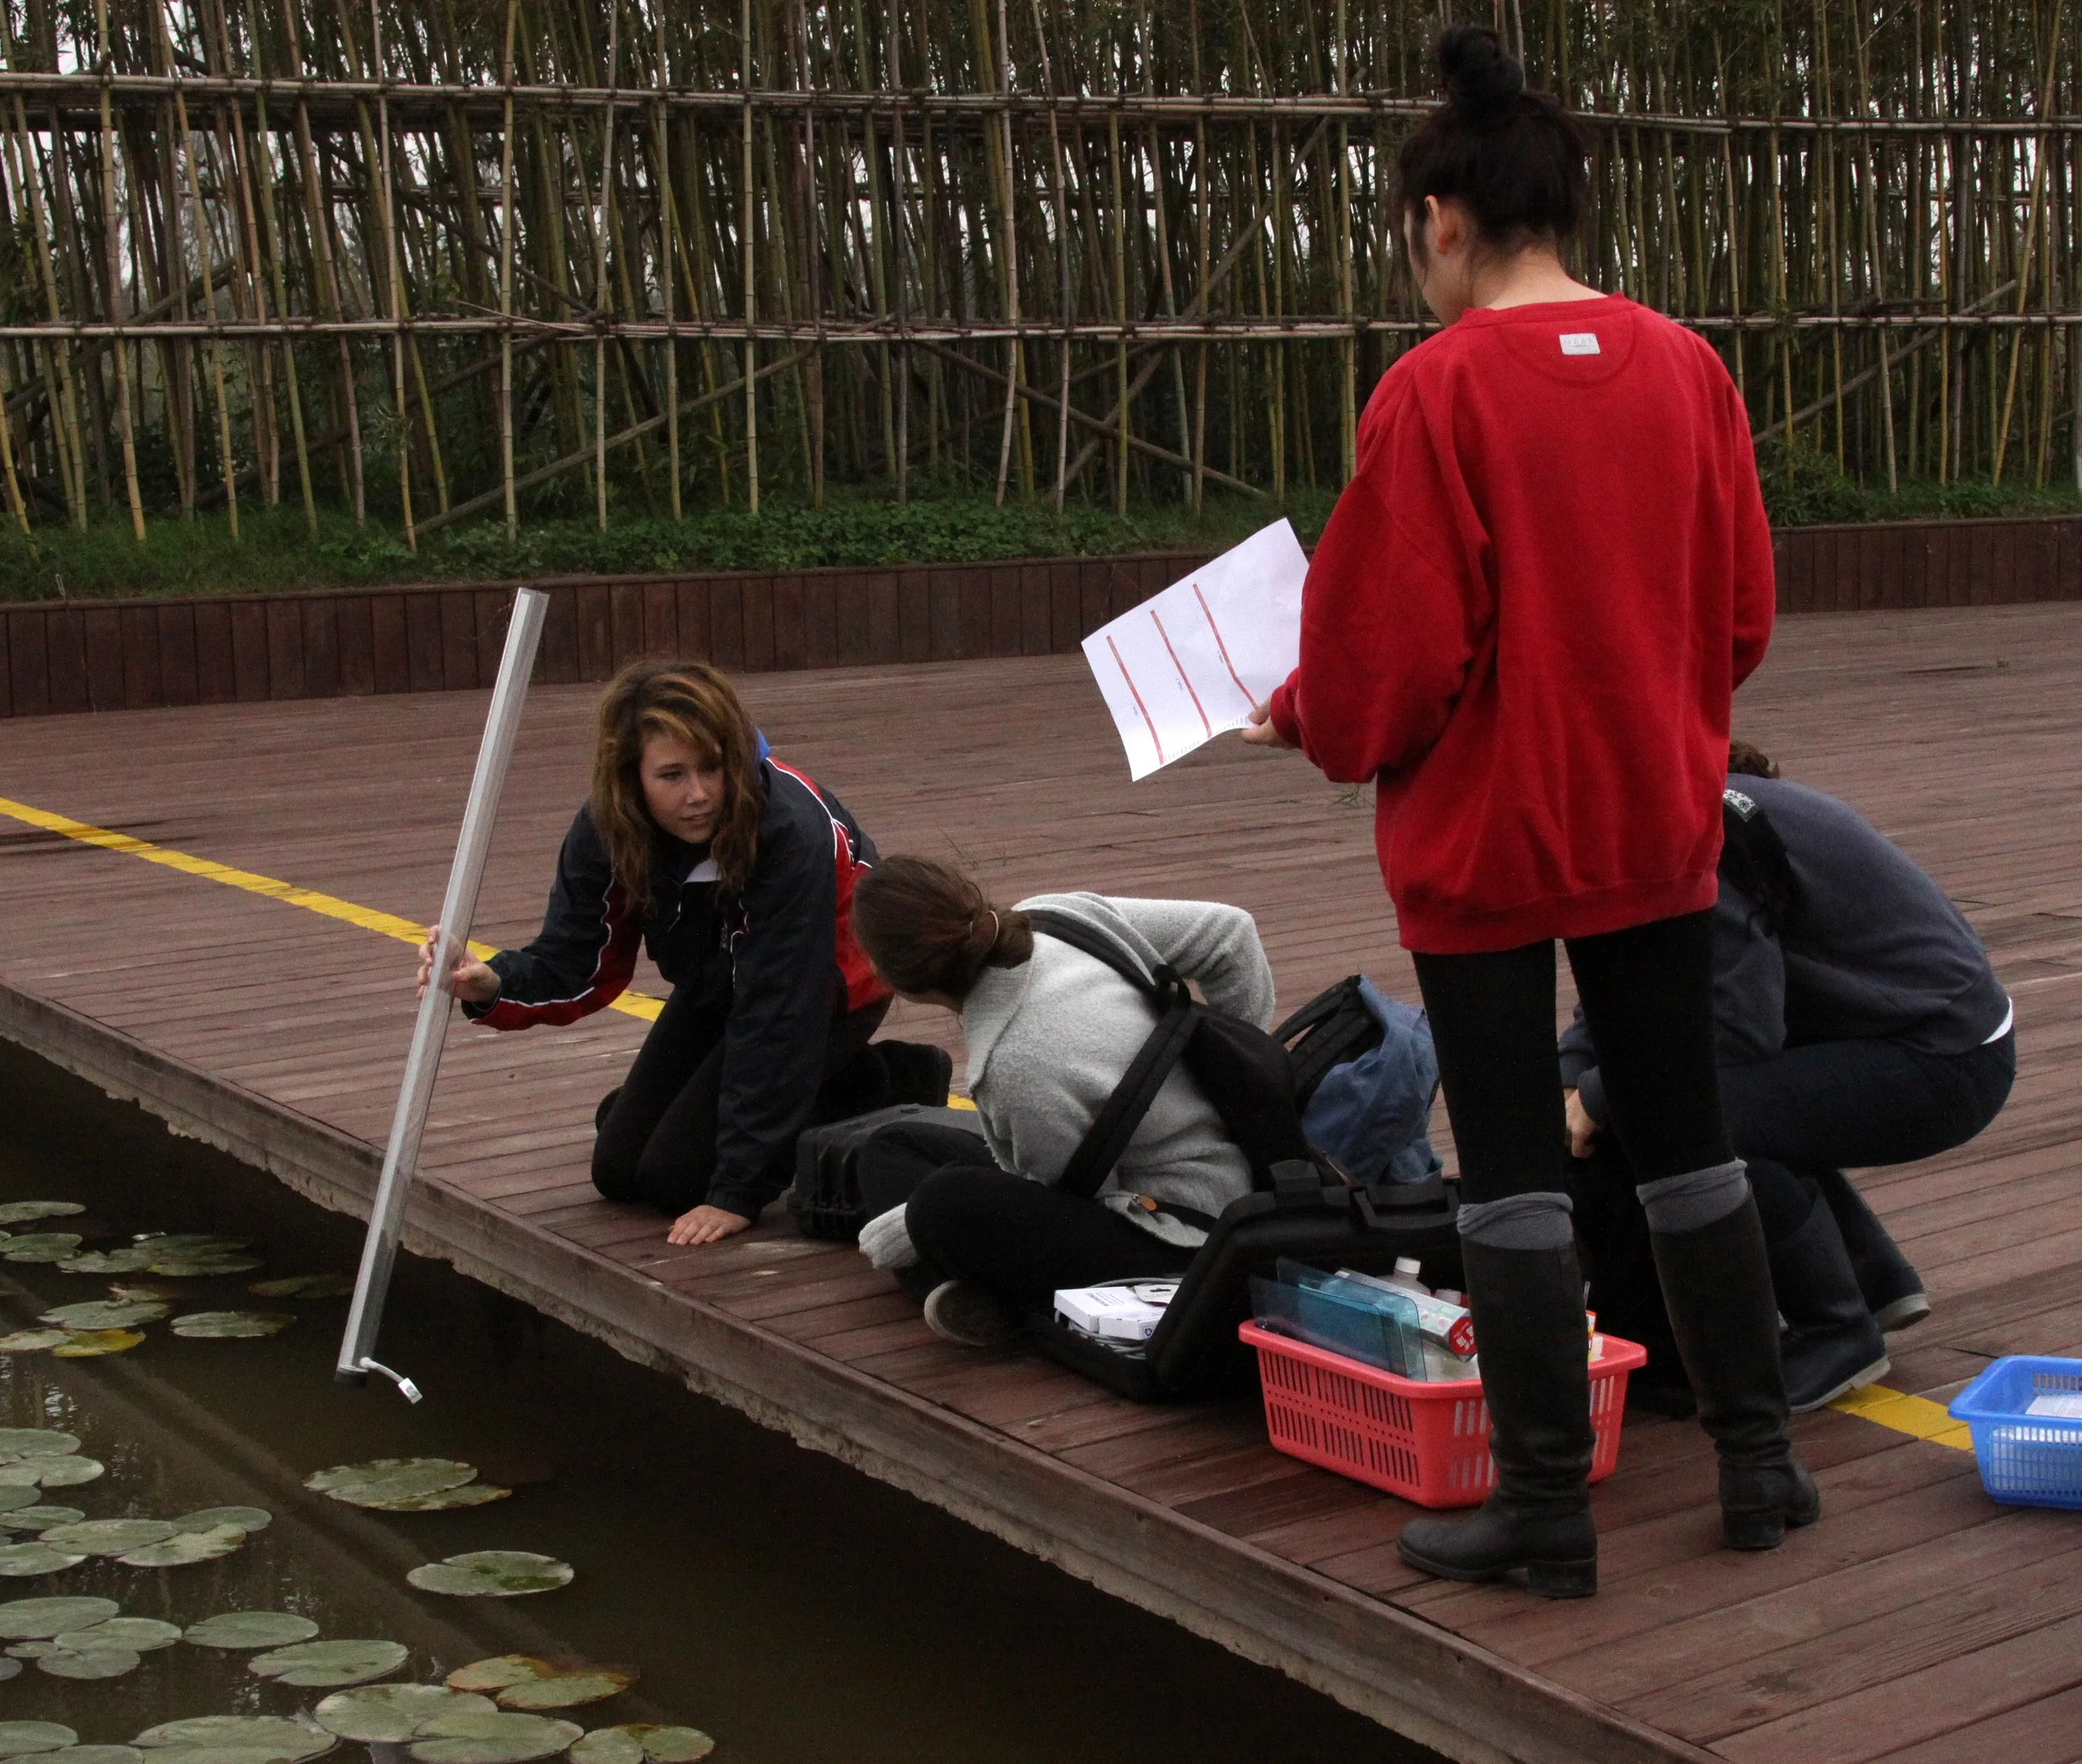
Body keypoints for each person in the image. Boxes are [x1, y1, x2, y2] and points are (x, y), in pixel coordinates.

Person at [1242, 26, 1804, 1597]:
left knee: (1509, 1168)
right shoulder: (1691, 369)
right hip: (1650, 815)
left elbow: (1381, 670)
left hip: (1487, 837)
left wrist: (1295, 712)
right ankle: (1760, 1461)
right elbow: (1742, 614)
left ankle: (1548, 1506)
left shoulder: (1434, 396)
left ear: (1443, 220)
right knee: (1689, 1140)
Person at [416, 660, 948, 1248]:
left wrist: (739, 1191)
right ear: (630, 779)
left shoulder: (788, 832)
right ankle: (692, 1115)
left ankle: (891, 1079)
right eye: (671, 775)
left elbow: (778, 1018)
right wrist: (491, 983)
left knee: (676, 1177)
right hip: (719, 982)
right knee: (618, 1171)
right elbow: (578, 963)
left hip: (828, 988)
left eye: (713, 768)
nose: (697, 796)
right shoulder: (606, 830)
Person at [1562, 740, 2015, 1412]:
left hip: (1944, 1059)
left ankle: (1836, 1330)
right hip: (1911, 1030)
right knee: (1746, 1105)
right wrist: (1570, 1080)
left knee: (1698, 1119)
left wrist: (1602, 1094)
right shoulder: (1694, 812)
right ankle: (1871, 1280)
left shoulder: (1706, 845)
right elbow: (1622, 993)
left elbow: (1734, 1040)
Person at [843, 855, 1273, 1348]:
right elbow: (1231, 934)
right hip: (1162, 1164)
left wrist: (918, 1221)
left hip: (1187, 1230)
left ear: (894, 977)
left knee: (941, 1206)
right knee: (892, 1146)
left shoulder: (1011, 1061)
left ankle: (995, 1298)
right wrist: (1242, 1077)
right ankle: (970, 1291)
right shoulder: (1059, 916)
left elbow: (1071, 1196)